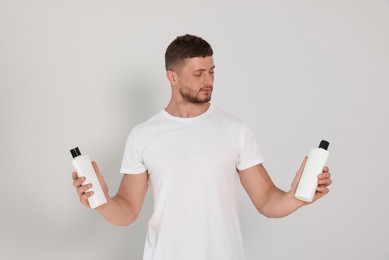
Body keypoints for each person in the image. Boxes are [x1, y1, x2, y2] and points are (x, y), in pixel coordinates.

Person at [72, 34, 332, 260]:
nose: (208, 80)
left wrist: (296, 197)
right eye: (198, 73)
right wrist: (103, 202)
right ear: (171, 77)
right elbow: (127, 210)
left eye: (211, 71)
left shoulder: (236, 130)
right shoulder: (143, 135)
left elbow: (266, 200)